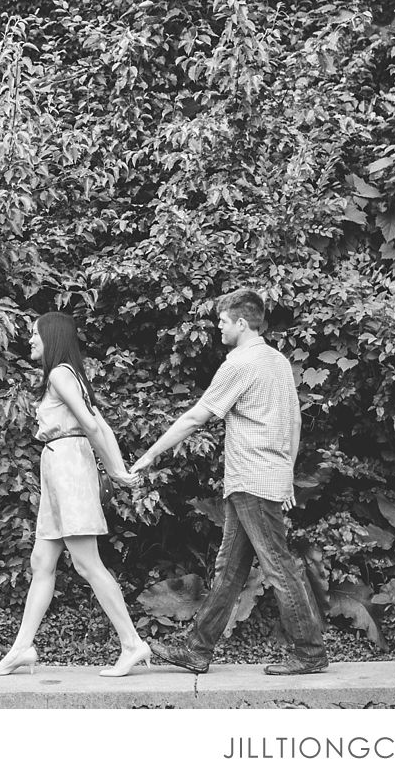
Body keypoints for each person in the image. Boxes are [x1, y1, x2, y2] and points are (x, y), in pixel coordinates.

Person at [132, 288, 329, 676]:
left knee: (278, 568)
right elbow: (295, 422)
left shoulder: (239, 364)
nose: (218, 328)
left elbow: (195, 417)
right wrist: (286, 473)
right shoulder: (276, 361)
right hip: (262, 478)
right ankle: (198, 650)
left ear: (242, 323)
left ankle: (309, 652)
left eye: (222, 321)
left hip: (251, 479)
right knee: (230, 570)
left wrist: (152, 453)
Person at [0, 311, 152, 678]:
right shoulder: (67, 375)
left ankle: (132, 644)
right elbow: (101, 425)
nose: (29, 340)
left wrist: (116, 471)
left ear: (52, 337)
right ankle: (22, 648)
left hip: (69, 467)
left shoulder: (60, 373)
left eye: (34, 334)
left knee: (87, 563)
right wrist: (118, 468)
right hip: (60, 467)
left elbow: (93, 425)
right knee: (41, 562)